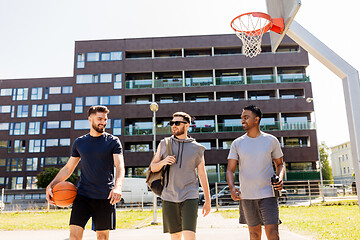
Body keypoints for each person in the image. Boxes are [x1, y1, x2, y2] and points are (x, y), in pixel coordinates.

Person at [46, 105, 125, 240]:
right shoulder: (80, 142)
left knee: (102, 237)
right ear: (90, 119)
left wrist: (117, 187)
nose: (103, 122)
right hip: (82, 196)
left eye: (105, 119)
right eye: (100, 118)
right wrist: (51, 185)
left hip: (105, 196)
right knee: (74, 236)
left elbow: (120, 166)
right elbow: (68, 168)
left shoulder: (113, 141)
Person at [150, 112, 211, 240]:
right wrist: (163, 162)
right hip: (168, 196)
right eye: (172, 123)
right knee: (175, 237)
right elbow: (153, 167)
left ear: (187, 125)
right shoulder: (164, 144)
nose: (174, 126)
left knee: (189, 236)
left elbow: (202, 174)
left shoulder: (197, 148)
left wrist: (208, 200)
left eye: (177, 123)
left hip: (189, 196)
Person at [226, 105, 285, 240]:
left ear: (256, 119)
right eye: (242, 118)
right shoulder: (237, 143)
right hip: (247, 196)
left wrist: (280, 178)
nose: (242, 121)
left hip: (268, 194)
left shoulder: (271, 140)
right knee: (254, 234)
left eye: (246, 117)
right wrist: (232, 187)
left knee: (273, 233)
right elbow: (230, 169)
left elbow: (280, 164)